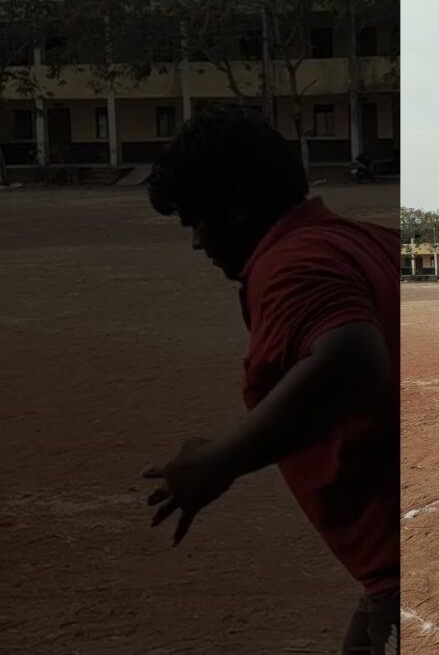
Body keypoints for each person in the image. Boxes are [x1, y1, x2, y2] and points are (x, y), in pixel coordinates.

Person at [143, 108, 400, 655]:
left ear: (235, 205)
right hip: (389, 563)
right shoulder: (367, 240)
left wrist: (221, 461)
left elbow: (355, 359)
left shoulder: (293, 264)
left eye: (195, 220)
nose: (196, 243)